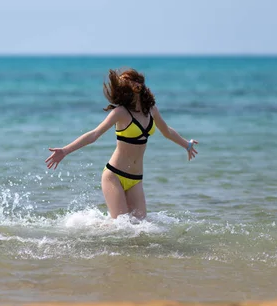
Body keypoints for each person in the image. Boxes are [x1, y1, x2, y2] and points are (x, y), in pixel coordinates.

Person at [45, 68, 198, 220]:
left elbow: (167, 132)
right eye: (126, 81)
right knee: (121, 227)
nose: (131, 84)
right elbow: (94, 134)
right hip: (114, 176)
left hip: (136, 178)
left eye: (132, 80)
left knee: (140, 227)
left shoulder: (151, 110)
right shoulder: (120, 112)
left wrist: (187, 145)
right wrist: (65, 151)